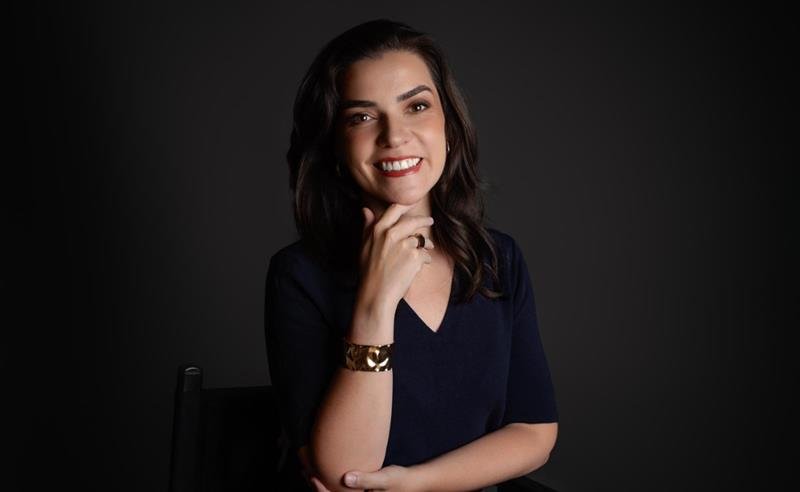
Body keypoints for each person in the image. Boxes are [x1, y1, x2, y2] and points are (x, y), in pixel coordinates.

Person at [265, 19, 558, 492]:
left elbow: (534, 433)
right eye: (362, 117)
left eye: (417, 106)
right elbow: (344, 474)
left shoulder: (498, 258)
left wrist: (416, 483)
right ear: (336, 146)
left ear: (449, 127)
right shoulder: (298, 274)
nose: (394, 135)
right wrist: (376, 303)